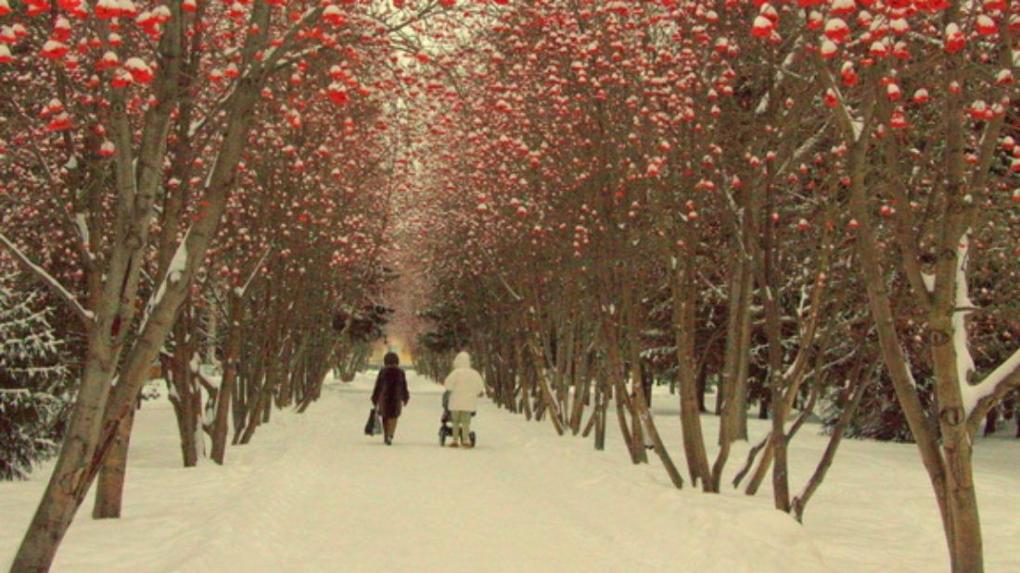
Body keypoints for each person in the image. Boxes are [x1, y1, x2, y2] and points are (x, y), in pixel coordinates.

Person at [442, 351, 485, 449]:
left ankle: (455, 440)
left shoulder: (455, 373)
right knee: (466, 422)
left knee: (455, 421)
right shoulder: (474, 373)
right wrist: (474, 392)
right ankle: (465, 440)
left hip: (455, 402)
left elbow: (447, 385)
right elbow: (480, 386)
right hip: (468, 402)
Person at [371, 352, 409, 445]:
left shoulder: (383, 371)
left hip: (384, 397)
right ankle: (390, 435)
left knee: (385, 416)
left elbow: (378, 385)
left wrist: (375, 398)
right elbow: (404, 385)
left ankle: (386, 434)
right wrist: (405, 397)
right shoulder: (400, 372)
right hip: (396, 397)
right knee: (394, 416)